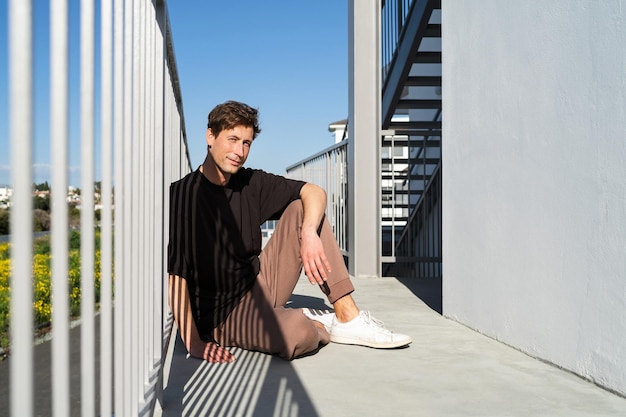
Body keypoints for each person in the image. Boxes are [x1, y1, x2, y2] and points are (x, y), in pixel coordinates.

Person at [168, 100, 411, 363]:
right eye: (233, 139)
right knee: (297, 333)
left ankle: (347, 315)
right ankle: (316, 324)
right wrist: (193, 342)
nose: (239, 151)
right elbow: (177, 275)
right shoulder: (184, 195)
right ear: (210, 136)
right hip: (225, 315)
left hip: (260, 281)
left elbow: (313, 191)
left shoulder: (249, 182)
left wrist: (308, 232)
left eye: (246, 143)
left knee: (301, 209)